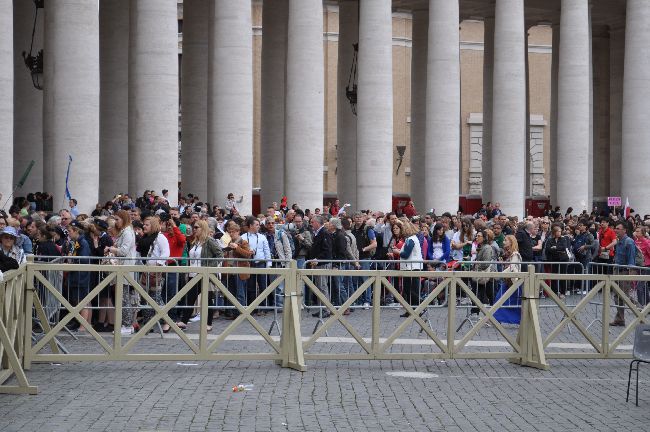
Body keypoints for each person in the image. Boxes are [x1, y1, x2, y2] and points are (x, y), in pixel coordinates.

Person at [178, 219, 223, 331]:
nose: (194, 229)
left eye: (196, 227)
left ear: (203, 229)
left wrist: (208, 267)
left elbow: (220, 255)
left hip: (206, 274)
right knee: (190, 298)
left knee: (208, 299)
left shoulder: (209, 241)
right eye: (194, 227)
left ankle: (209, 323)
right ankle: (184, 322)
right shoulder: (195, 242)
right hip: (194, 274)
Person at [105, 210, 138, 335]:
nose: (116, 222)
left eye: (117, 219)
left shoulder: (128, 232)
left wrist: (111, 249)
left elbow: (123, 251)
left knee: (124, 298)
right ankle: (125, 324)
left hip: (125, 268)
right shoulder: (124, 232)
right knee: (122, 297)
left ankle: (128, 325)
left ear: (123, 220)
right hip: (122, 268)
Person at [138, 216, 170, 328]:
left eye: (147, 225)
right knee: (145, 298)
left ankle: (167, 321)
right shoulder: (145, 238)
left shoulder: (160, 238)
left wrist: (157, 266)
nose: (144, 226)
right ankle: (148, 324)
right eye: (144, 224)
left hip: (156, 271)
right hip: (145, 269)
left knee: (155, 298)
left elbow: (166, 253)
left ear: (153, 226)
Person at [221, 220, 253, 319]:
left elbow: (248, 255)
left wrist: (236, 248)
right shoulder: (228, 242)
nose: (231, 234)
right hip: (230, 271)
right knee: (231, 293)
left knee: (240, 294)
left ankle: (241, 313)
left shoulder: (243, 242)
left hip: (239, 271)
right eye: (229, 232)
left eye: (233, 232)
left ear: (238, 232)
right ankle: (233, 313)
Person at [65, 221, 92, 331]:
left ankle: (83, 326)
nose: (68, 234)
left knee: (82, 300)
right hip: (77, 275)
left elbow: (84, 259)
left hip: (81, 275)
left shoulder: (82, 242)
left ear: (76, 231)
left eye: (70, 231)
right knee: (82, 299)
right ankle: (86, 324)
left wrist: (72, 262)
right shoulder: (75, 242)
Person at [611, 222, 638, 326]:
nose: (616, 230)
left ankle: (642, 310)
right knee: (617, 296)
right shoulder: (619, 241)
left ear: (624, 230)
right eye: (615, 228)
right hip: (617, 271)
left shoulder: (629, 242)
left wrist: (631, 274)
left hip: (625, 272)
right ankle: (620, 319)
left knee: (624, 296)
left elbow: (631, 259)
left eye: (618, 228)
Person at [493, 235, 523, 324]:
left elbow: (512, 267)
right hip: (508, 282)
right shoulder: (508, 254)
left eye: (506, 240)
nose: (503, 242)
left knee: (513, 303)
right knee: (500, 300)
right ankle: (496, 318)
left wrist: (499, 275)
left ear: (511, 242)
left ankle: (517, 320)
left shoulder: (515, 254)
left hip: (514, 283)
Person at [307, 215, 333, 317]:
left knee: (322, 287)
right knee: (319, 287)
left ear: (318, 223)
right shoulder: (318, 233)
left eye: (312, 222)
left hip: (322, 264)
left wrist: (318, 259)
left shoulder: (324, 233)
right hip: (318, 263)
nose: (311, 224)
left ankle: (326, 309)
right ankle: (321, 308)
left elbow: (327, 250)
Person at [396, 220, 423, 317]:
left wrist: (397, 252)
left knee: (412, 290)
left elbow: (406, 254)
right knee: (408, 290)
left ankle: (419, 309)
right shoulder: (411, 239)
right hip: (410, 267)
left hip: (412, 267)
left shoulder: (411, 239)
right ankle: (411, 310)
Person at [543, 225, 572, 298]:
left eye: (560, 231)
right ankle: (554, 292)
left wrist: (555, 248)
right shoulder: (550, 239)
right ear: (554, 232)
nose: (559, 232)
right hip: (554, 259)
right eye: (558, 231)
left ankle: (563, 292)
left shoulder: (564, 239)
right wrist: (556, 249)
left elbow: (564, 247)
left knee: (562, 275)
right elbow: (548, 249)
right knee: (554, 275)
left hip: (563, 259)